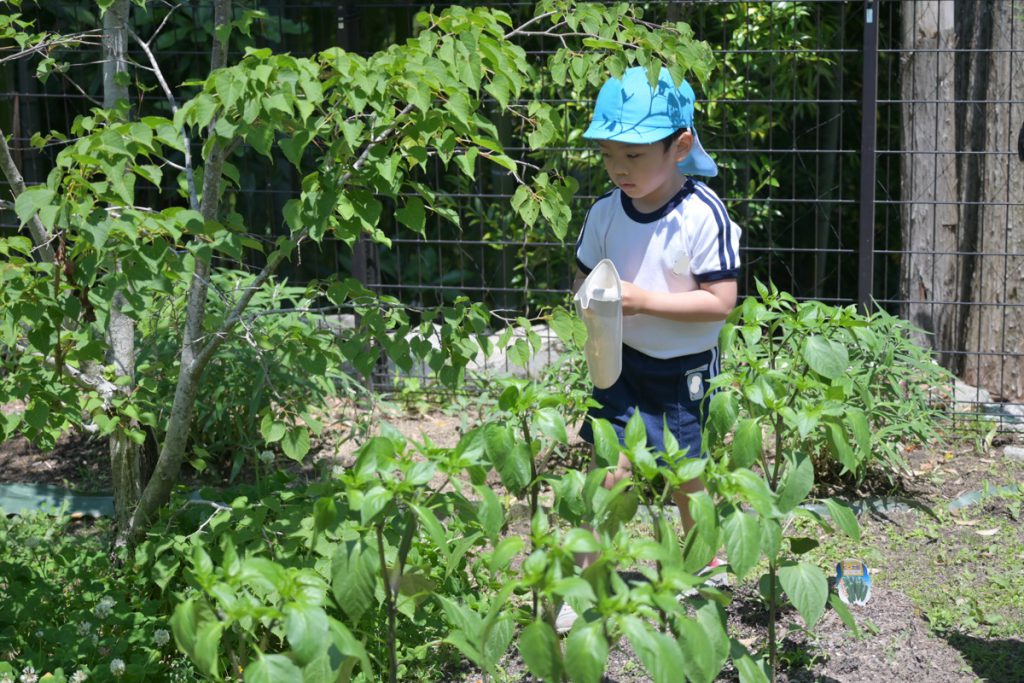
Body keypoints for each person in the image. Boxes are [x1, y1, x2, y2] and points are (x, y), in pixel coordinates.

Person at [559, 66, 741, 633]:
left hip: (684, 369)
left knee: (686, 473)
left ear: (679, 146)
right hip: (618, 363)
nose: (619, 168)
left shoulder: (701, 214)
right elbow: (583, 278)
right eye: (608, 154)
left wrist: (645, 301)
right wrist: (592, 303)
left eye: (634, 155)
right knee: (606, 472)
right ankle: (584, 582)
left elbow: (721, 302)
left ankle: (705, 560)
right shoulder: (605, 212)